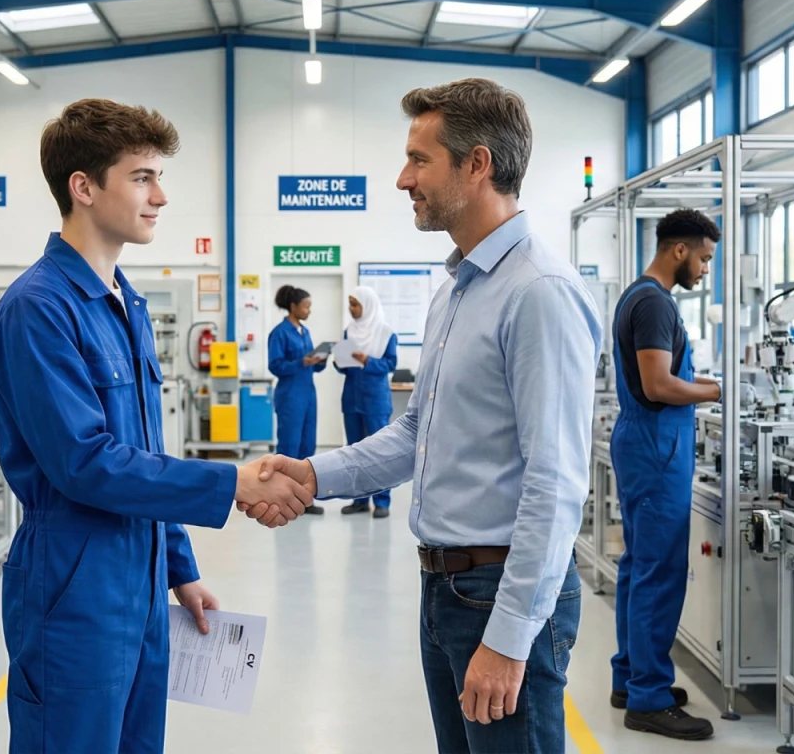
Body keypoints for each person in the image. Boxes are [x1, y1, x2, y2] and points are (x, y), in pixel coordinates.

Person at [243, 78, 602, 753]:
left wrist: (508, 634)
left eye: (419, 159)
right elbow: (417, 434)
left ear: (477, 164)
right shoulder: (458, 292)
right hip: (445, 590)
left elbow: (555, 483)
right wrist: (313, 475)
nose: (403, 178)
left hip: (498, 592)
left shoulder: (538, 294)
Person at [0, 98, 312, 754]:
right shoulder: (39, 310)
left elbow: (146, 451)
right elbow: (86, 462)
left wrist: (180, 568)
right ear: (83, 187)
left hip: (142, 576)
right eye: (141, 177)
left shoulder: (124, 302)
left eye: (159, 177)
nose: (160, 196)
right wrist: (232, 483)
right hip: (75, 582)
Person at [607, 208, 720, 741]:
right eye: (703, 258)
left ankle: (630, 679)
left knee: (638, 566)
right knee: (658, 570)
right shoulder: (653, 302)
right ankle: (649, 697)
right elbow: (658, 385)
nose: (704, 269)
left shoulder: (638, 294)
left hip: (646, 443)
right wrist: (719, 391)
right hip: (656, 447)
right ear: (680, 250)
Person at [335, 286, 399, 518]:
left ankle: (382, 501)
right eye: (350, 304)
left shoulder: (385, 332)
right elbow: (344, 367)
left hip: (375, 400)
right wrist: (339, 361)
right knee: (355, 452)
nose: (352, 309)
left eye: (355, 304)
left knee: (380, 452)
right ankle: (359, 500)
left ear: (368, 305)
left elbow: (390, 364)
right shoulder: (348, 332)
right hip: (352, 398)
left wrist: (367, 361)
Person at [269, 285, 327, 515]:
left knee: (307, 446)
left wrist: (320, 360)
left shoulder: (305, 331)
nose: (309, 310)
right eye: (306, 306)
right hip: (290, 396)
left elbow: (313, 364)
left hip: (308, 394)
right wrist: (299, 363)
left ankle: (304, 500)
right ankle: (281, 499)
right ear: (293, 307)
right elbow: (275, 365)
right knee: (288, 448)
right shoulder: (280, 333)